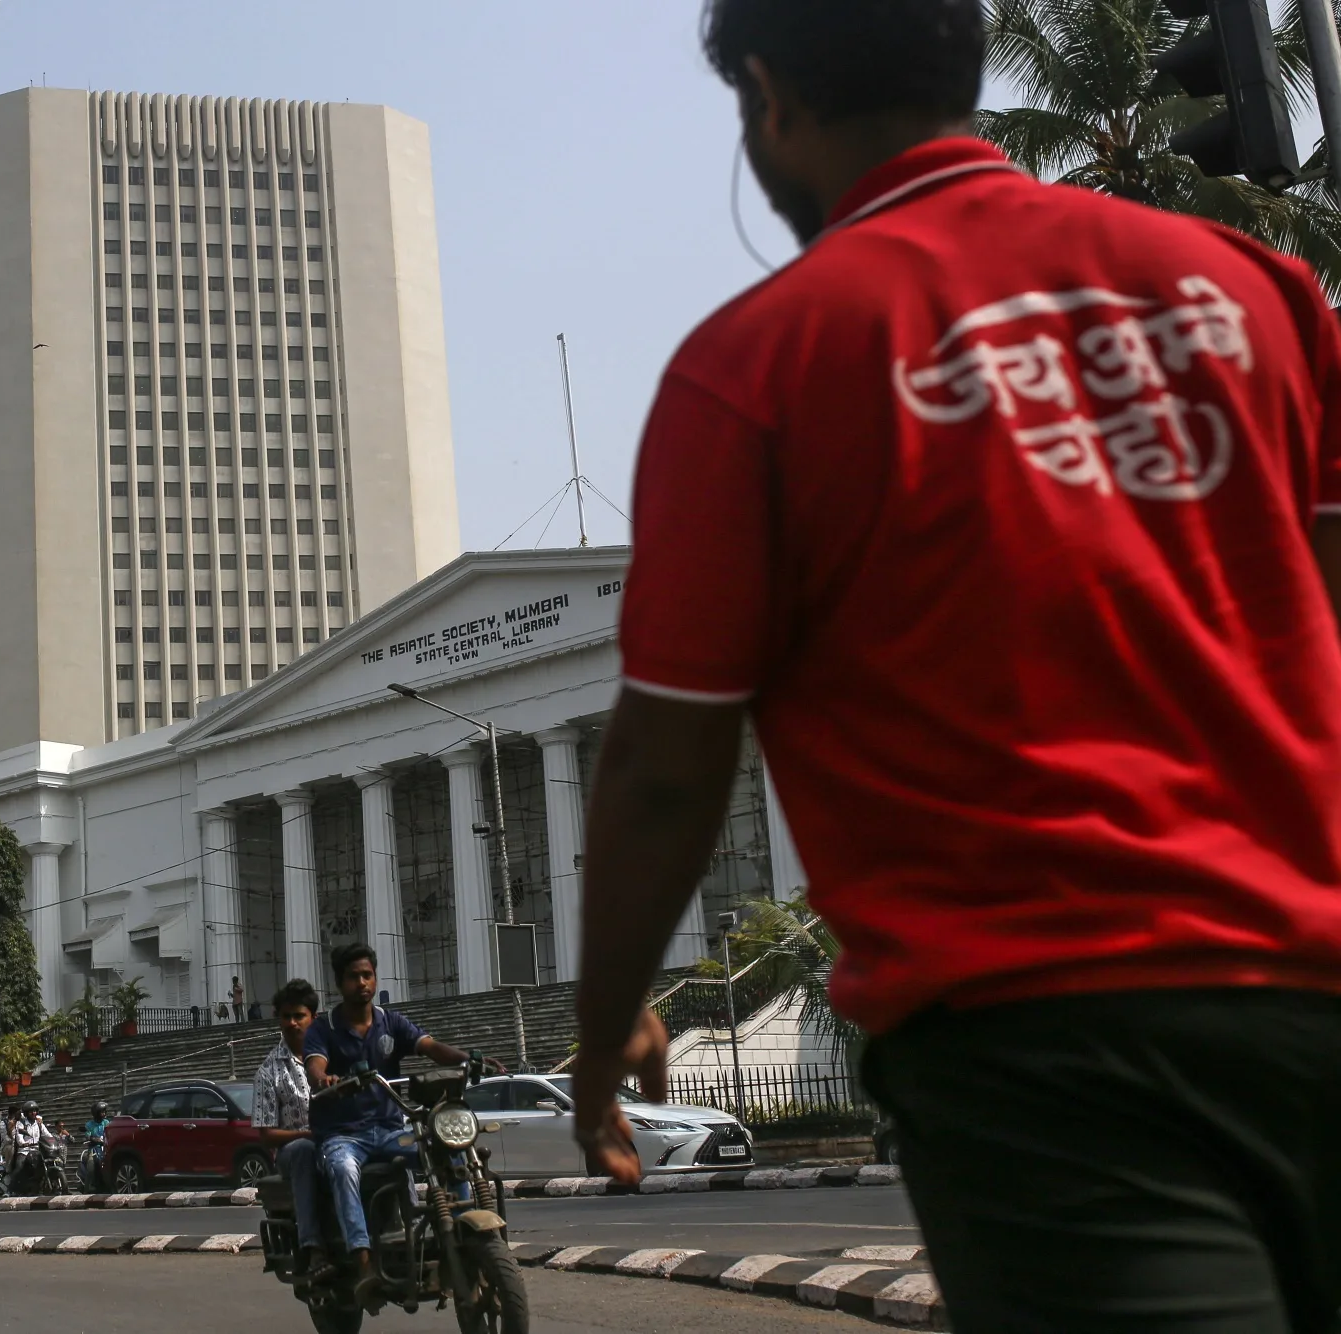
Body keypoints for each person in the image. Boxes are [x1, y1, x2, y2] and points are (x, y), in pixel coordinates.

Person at [570, 2, 1341, 1330]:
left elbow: (662, 765)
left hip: (1043, 1051)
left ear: (766, 99)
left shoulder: (757, 366)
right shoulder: (1247, 289)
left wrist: (600, 1036)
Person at [305, 945, 471, 1311]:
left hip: (391, 1130)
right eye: (353, 976)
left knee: (447, 1147)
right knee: (343, 1169)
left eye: (367, 975)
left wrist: (469, 1059)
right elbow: (314, 1065)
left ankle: (462, 1237)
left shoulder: (391, 1022)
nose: (362, 983)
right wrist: (325, 1078)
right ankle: (363, 1262)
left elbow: (429, 1046)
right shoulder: (323, 1028)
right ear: (339, 983)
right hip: (344, 1135)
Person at [250, 978, 321, 1278]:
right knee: (305, 1150)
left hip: (337, 1141)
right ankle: (314, 1247)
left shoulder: (335, 1056)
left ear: (313, 1018)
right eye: (286, 1016)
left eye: (299, 1016)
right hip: (294, 1151)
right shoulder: (268, 1071)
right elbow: (266, 1134)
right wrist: (305, 1134)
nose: (293, 1023)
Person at [8, 1103, 45, 1190]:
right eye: (31, 1112)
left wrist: (53, 1140)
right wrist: (23, 1143)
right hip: (25, 1150)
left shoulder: (39, 1124)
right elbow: (19, 1137)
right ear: (26, 1113)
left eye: (35, 1111)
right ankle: (10, 1189)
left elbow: (47, 1134)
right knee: (19, 1167)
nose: (33, 1113)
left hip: (37, 1150)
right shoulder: (21, 1124)